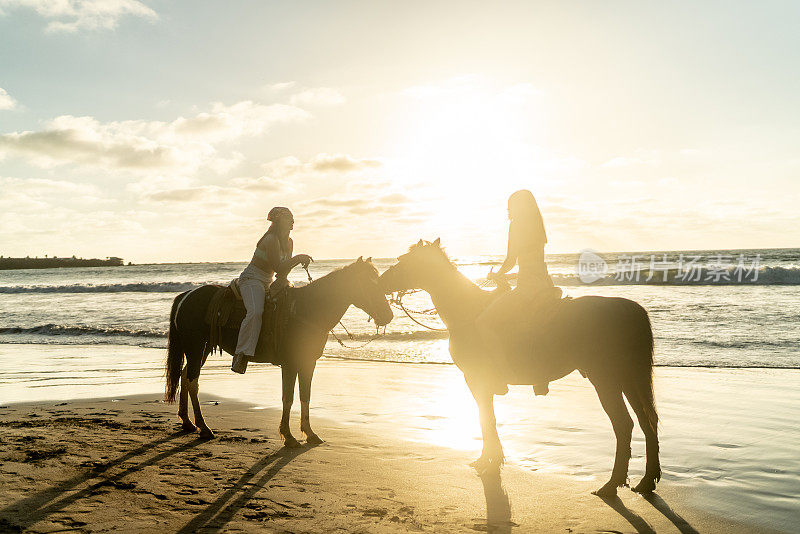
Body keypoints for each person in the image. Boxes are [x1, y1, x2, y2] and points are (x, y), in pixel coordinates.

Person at [476, 190, 560, 394]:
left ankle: (500, 375)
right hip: (544, 284)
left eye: (510, 205)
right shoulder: (537, 226)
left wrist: (496, 273)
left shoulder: (518, 225)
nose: (508, 210)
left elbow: (511, 260)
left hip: (529, 288)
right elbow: (533, 265)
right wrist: (509, 276)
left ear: (518, 207)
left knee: (484, 323)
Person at [231, 207, 312, 374]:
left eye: (292, 218)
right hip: (252, 279)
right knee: (255, 312)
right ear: (279, 222)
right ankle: (241, 354)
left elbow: (282, 272)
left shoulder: (289, 242)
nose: (292, 221)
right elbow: (278, 267)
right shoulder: (270, 239)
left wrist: (294, 264)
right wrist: (297, 259)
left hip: (268, 280)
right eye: (289, 218)